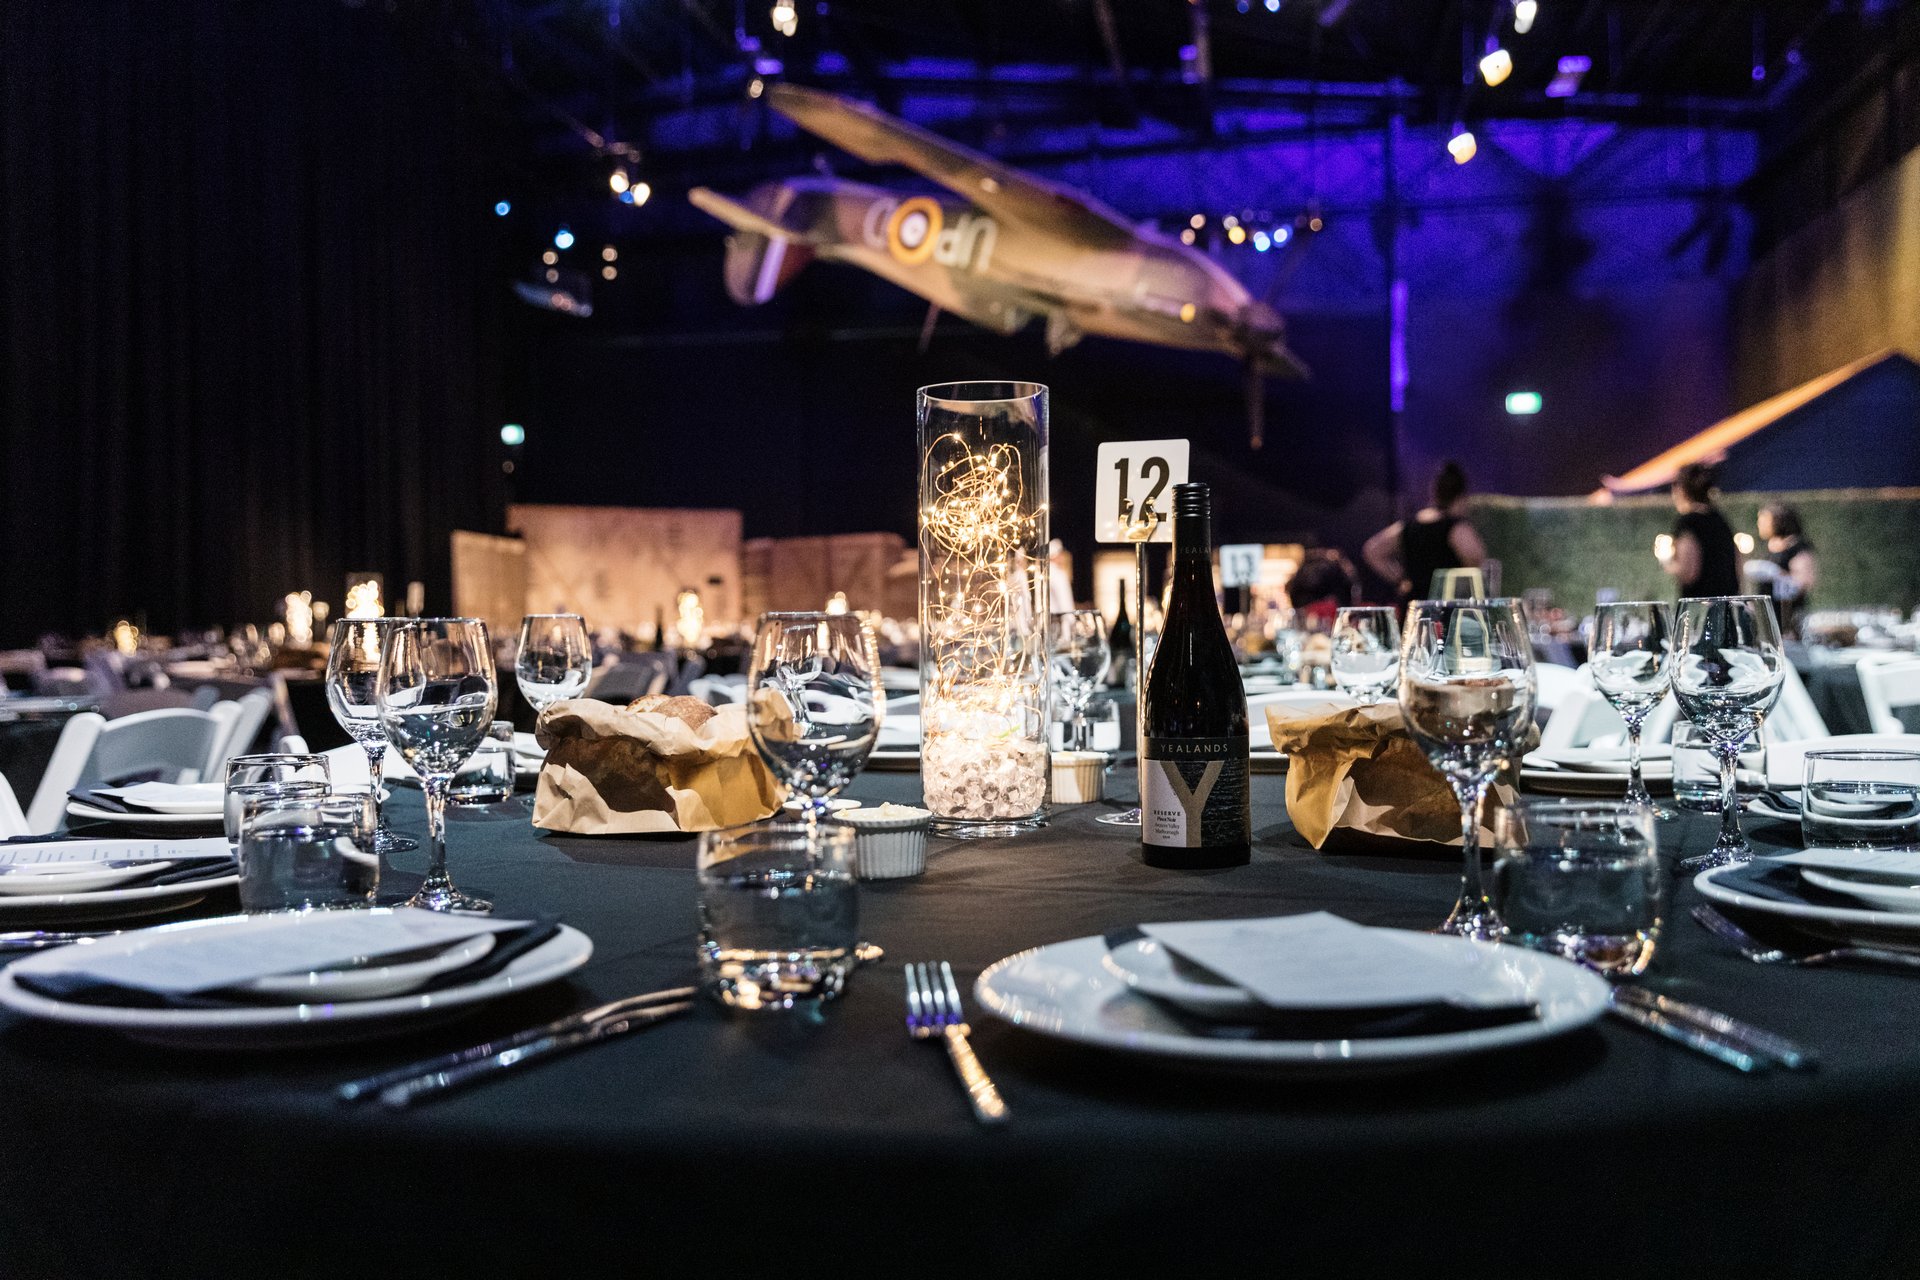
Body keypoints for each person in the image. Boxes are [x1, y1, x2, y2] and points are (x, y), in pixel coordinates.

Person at [1363, 461, 1487, 604]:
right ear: (1461, 497)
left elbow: (1372, 550)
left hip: (1414, 607)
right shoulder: (1456, 527)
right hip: (1447, 608)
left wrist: (1401, 579)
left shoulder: (1409, 525)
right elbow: (1477, 559)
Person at [1661, 462, 1740, 598]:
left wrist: (1666, 562)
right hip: (1727, 602)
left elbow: (1688, 572)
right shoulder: (1720, 519)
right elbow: (1738, 564)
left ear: (1681, 490)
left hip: (1699, 604)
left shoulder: (1688, 522)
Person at [1756, 503, 1817, 633]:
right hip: (1769, 612)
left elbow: (1804, 582)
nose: (1759, 524)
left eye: (1764, 521)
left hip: (1789, 613)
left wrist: (1778, 574)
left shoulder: (1796, 547)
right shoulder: (1770, 546)